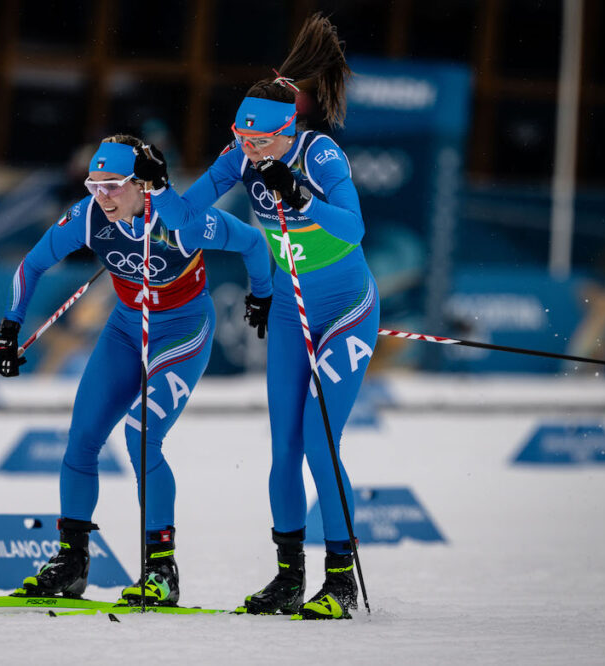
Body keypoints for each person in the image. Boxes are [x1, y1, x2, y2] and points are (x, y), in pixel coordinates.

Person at [134, 14, 379, 619]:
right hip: (296, 316)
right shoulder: (240, 156)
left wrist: (302, 197)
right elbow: (187, 220)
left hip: (346, 311)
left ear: (286, 129)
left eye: (259, 142)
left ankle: (341, 582)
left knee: (322, 444)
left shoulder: (320, 154)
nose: (248, 150)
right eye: (241, 139)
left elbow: (354, 229)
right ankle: (289, 577)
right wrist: (158, 189)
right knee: (284, 448)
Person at [0, 134, 273, 606]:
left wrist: (261, 294)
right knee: (81, 438)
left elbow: (251, 242)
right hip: (125, 329)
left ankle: (161, 570)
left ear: (143, 185)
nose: (100, 196)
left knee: (142, 435)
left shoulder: (181, 221)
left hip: (182, 331)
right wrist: (9, 328)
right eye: (93, 184)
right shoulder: (87, 216)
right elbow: (32, 264)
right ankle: (72, 562)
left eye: (113, 186)